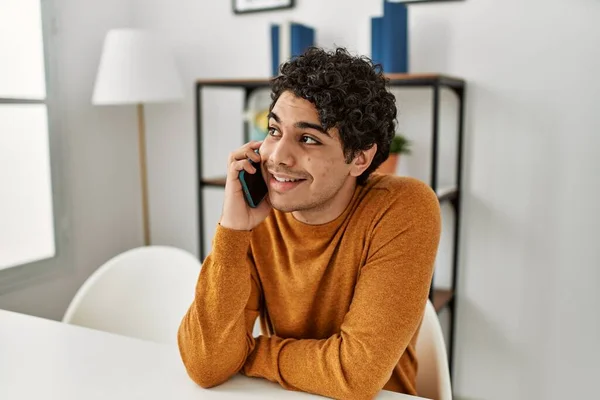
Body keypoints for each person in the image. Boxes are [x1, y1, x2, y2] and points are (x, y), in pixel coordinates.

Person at [177, 47, 441, 400]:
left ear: (359, 159)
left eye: (308, 139)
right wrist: (233, 232)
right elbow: (206, 365)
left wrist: (249, 353)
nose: (277, 158)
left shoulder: (403, 207)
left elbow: (354, 375)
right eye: (274, 130)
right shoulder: (260, 211)